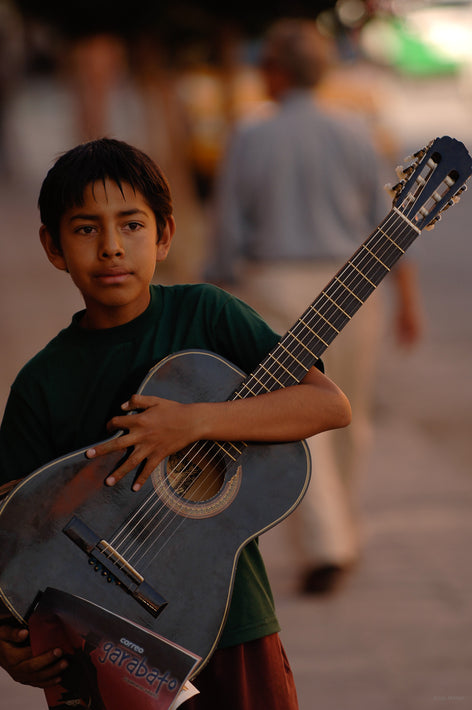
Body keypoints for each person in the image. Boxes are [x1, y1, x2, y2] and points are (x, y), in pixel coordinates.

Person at [0, 138, 351, 709]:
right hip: (98, 647)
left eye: (131, 225)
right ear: (53, 245)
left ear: (164, 235)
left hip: (234, 621)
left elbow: (327, 405)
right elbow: (10, 520)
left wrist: (193, 423)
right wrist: (6, 641)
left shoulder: (208, 314)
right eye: (86, 229)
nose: (112, 247)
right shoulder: (42, 382)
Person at [206, 18, 422, 595]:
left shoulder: (251, 133)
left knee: (302, 417)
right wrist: (405, 299)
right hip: (354, 282)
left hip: (276, 286)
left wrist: (211, 295)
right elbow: (391, 223)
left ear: (275, 71)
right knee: (349, 411)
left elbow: (227, 231)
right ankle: (339, 533)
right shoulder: (355, 131)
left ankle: (332, 540)